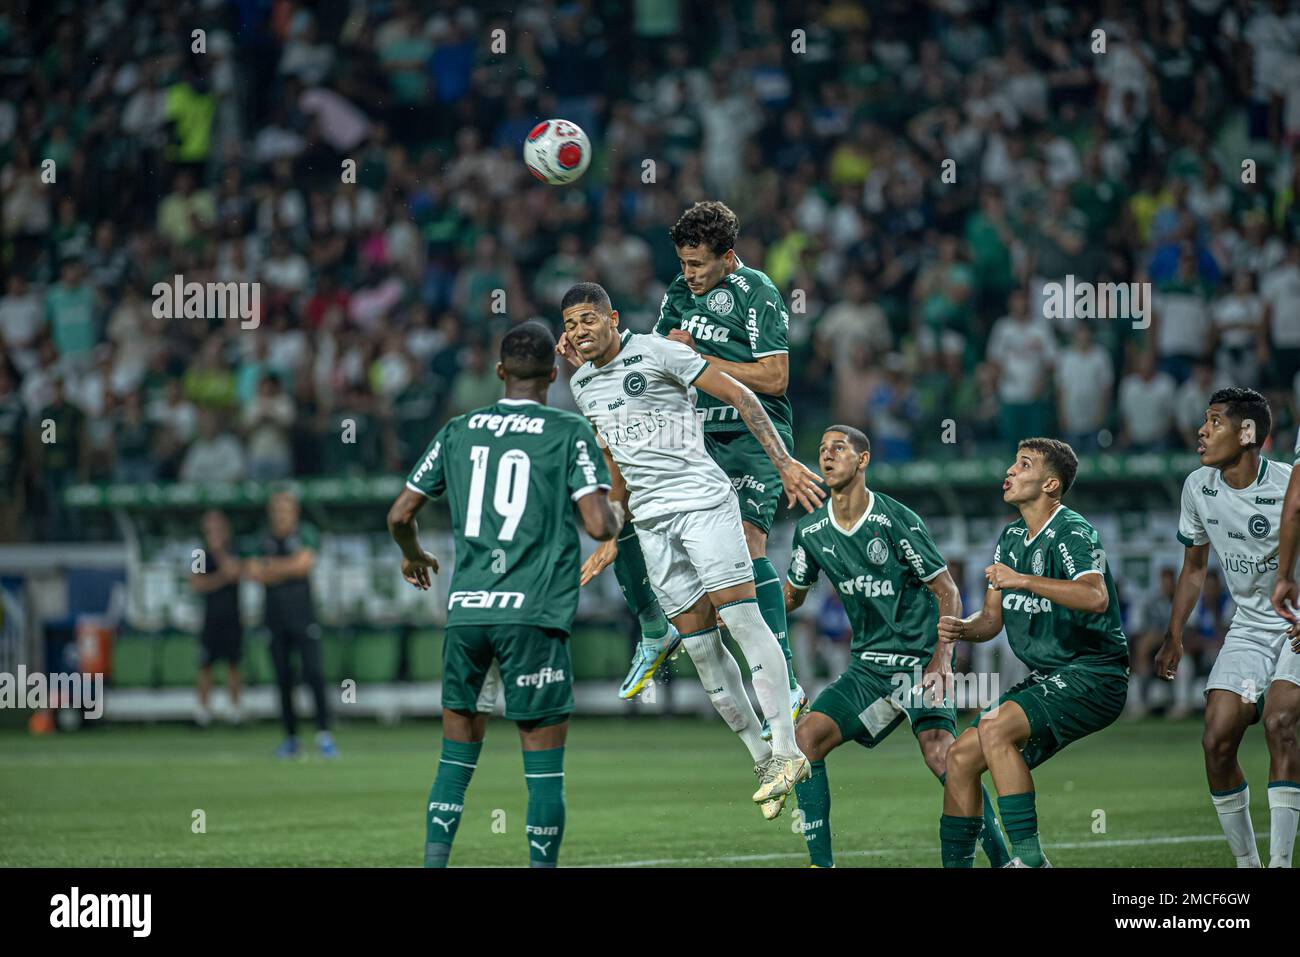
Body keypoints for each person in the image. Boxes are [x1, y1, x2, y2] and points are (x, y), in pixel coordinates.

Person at [562, 281, 823, 818]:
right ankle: (762, 760)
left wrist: (783, 462)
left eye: (588, 319)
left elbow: (742, 394)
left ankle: (788, 747)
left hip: (703, 503)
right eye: (569, 325)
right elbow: (614, 459)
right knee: (701, 650)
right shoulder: (582, 383)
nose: (579, 332)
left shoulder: (659, 351)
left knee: (742, 617)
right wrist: (615, 531)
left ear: (613, 317)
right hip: (654, 525)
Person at [561, 201, 807, 736]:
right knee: (622, 510)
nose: (689, 274)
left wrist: (697, 362)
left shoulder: (758, 291)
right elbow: (646, 360)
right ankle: (656, 629)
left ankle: (783, 684)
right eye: (683, 262)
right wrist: (588, 349)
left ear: (728, 256)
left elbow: (773, 377)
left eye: (698, 264)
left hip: (747, 434)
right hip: (690, 437)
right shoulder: (678, 293)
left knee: (746, 547)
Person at [386, 320, 622, 868]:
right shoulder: (567, 431)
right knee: (541, 767)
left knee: (453, 762)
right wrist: (617, 508)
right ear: (553, 373)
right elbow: (597, 525)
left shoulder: (457, 430)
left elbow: (399, 514)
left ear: (499, 373)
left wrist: (414, 554)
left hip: (468, 612)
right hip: (533, 615)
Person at [784, 425, 1011, 867]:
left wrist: (941, 661)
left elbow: (948, 592)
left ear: (863, 460)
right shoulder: (811, 531)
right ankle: (821, 865)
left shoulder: (895, 519)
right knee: (805, 740)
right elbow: (792, 596)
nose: (827, 456)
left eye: (839, 448)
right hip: (867, 669)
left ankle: (1004, 860)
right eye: (822, 449)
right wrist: (741, 601)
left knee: (943, 755)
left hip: (918, 662)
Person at [937, 438, 1129, 867]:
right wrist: (961, 629)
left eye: (1023, 465)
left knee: (995, 730)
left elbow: (1095, 596)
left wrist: (1022, 580)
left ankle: (1029, 861)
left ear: (1051, 485)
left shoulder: (1073, 531)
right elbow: (991, 621)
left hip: (1095, 672)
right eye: (1013, 462)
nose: (1010, 470)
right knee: (960, 758)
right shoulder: (1009, 538)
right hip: (1050, 676)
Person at [1159, 389, 1299, 868]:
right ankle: (1248, 865)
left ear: (1247, 434)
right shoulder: (1198, 486)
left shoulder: (1289, 486)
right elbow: (1194, 568)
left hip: (1298, 624)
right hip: (1250, 628)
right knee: (1216, 740)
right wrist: (1173, 633)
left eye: (1215, 421)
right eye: (1204, 420)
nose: (1202, 430)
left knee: (1280, 723)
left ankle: (1281, 863)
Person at [245, 491, 335, 759]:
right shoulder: (261, 537)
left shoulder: (306, 533)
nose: (281, 514)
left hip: (304, 615)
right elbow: (252, 571)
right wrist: (286, 566)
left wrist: (270, 567)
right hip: (273, 617)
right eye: (277, 509)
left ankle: (324, 735)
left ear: (295, 511)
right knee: (283, 677)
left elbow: (303, 566)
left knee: (314, 674)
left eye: (286, 509)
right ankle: (291, 738)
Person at [189, 510, 243, 727]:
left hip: (232, 616)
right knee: (205, 665)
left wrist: (219, 554)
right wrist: (221, 578)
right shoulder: (199, 553)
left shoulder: (234, 549)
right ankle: (203, 712)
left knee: (234, 664)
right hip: (210, 618)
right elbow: (196, 584)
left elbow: (235, 572)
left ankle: (235, 710)